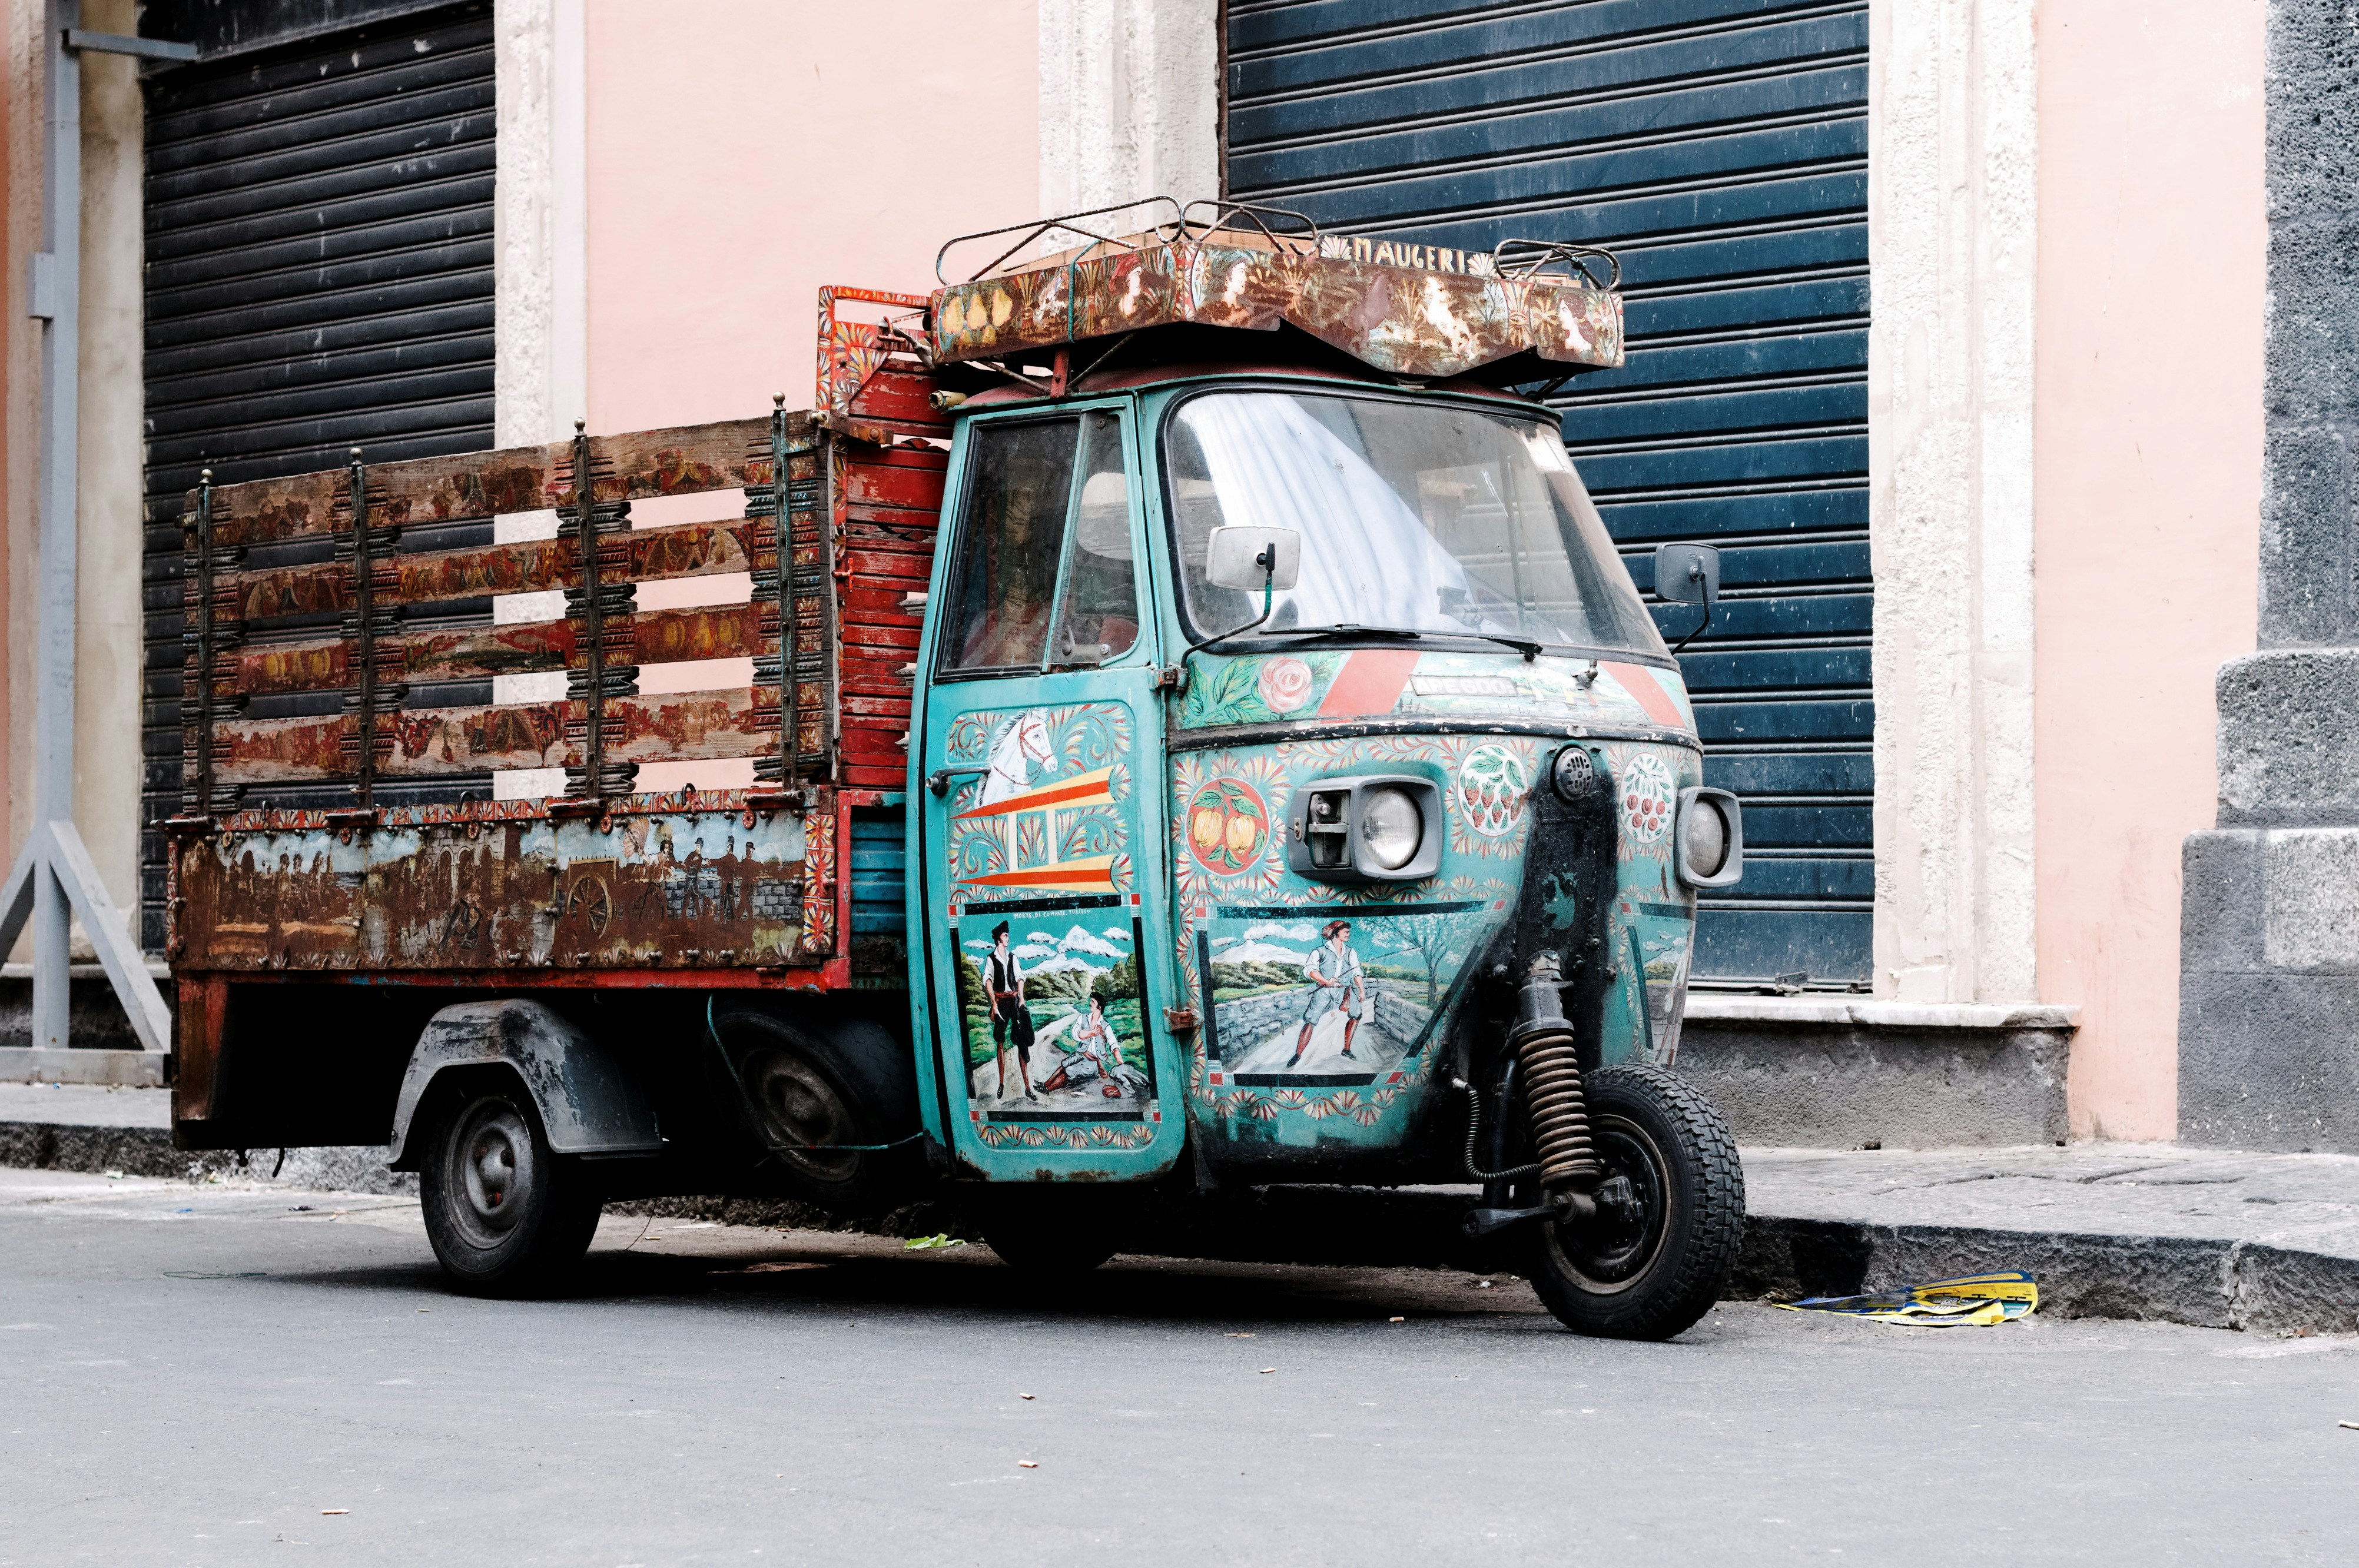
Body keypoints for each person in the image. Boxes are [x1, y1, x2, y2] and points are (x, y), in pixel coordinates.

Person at [1287, 920, 1366, 1069]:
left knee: (1356, 1014)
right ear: (1336, 933)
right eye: (1346, 932)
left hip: (1344, 990)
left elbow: (1357, 972)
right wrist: (1326, 981)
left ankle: (1347, 1049)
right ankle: (1297, 1054)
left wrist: (1361, 990)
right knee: (1311, 1020)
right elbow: (1310, 970)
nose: (1349, 934)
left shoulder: (1351, 952)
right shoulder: (1319, 951)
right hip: (1324, 989)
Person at [1037, 994, 1146, 1099]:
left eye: (1093, 1002)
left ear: (1099, 1006)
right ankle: (1045, 1085)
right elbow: (1076, 1034)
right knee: (1064, 1064)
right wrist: (1091, 1033)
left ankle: (1047, 1089)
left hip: (1092, 1062)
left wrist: (1122, 1064)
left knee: (1070, 1070)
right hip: (1081, 1053)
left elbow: (1114, 1046)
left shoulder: (1105, 1026)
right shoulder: (1083, 1018)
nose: (1090, 1003)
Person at [983, 922, 1037, 1102]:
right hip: (1000, 1002)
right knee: (1000, 1040)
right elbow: (988, 981)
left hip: (1014, 1001)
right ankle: (1001, 1083)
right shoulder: (991, 959)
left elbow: (1020, 978)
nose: (1007, 938)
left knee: (1022, 1040)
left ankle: (1028, 1087)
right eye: (1005, 935)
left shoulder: (1013, 958)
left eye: (1007, 935)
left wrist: (1021, 998)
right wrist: (993, 1002)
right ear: (998, 938)